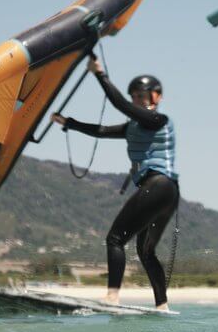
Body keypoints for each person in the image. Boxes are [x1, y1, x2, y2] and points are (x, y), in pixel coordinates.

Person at [51, 58, 178, 311]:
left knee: (115, 239)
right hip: (168, 193)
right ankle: (162, 306)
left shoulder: (158, 120)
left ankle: (112, 296)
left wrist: (99, 74)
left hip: (159, 186)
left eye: (143, 96)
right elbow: (101, 130)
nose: (138, 100)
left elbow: (119, 104)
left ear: (156, 97)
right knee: (146, 252)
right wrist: (69, 124)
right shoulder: (134, 127)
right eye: (135, 96)